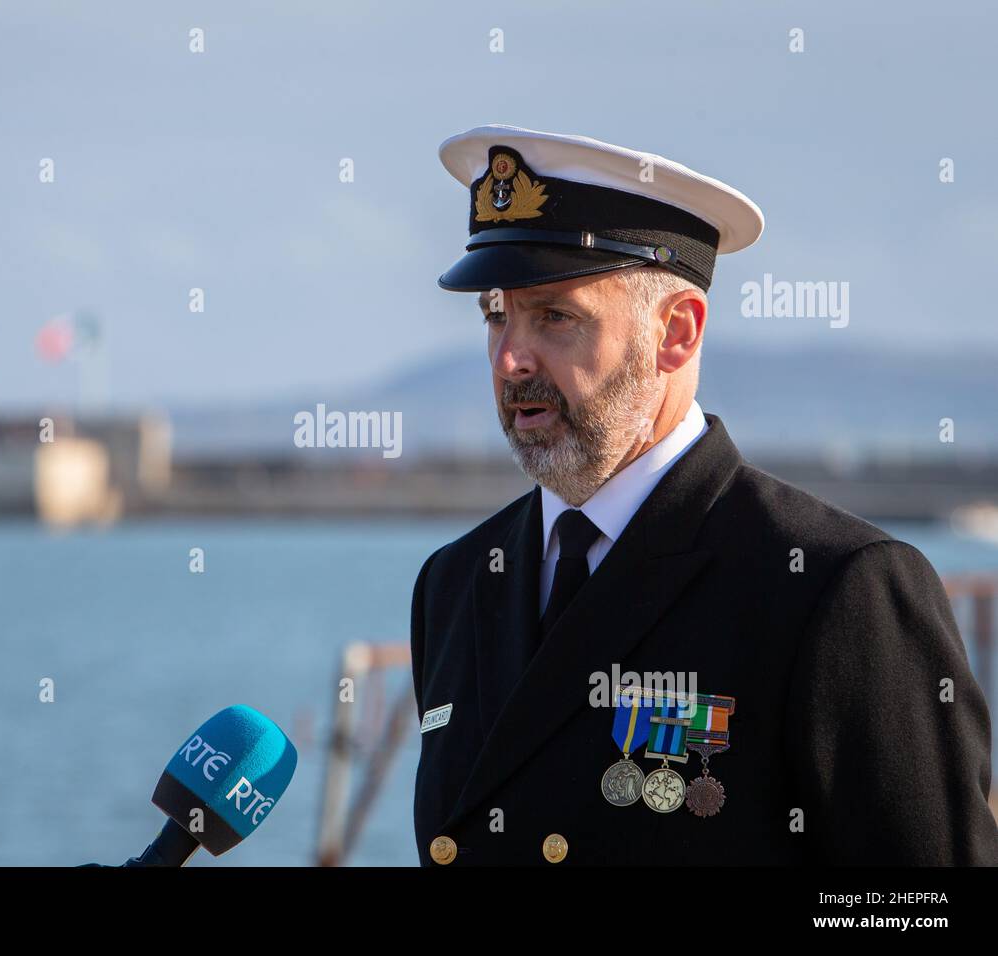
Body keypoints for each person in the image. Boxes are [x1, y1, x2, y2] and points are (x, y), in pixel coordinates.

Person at [410, 124, 998, 866]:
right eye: (496, 312)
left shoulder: (835, 588)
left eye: (554, 316)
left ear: (677, 335)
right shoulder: (457, 582)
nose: (510, 357)